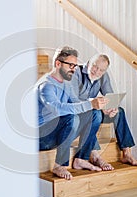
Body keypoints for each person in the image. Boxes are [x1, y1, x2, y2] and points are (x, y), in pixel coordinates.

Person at [37, 46, 109, 180]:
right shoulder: (46, 85)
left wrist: (96, 105)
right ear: (58, 64)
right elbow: (59, 109)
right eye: (70, 65)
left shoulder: (66, 84)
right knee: (72, 118)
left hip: (57, 132)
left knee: (94, 114)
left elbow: (76, 103)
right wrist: (89, 104)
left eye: (75, 65)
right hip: (41, 137)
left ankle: (82, 158)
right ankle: (59, 165)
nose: (74, 69)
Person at [70, 53, 137, 171]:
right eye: (95, 66)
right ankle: (91, 156)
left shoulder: (103, 76)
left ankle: (127, 153)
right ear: (89, 63)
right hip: (76, 113)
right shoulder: (76, 73)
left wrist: (112, 108)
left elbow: (110, 97)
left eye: (101, 70)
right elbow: (72, 99)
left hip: (92, 111)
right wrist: (94, 103)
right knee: (96, 114)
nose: (97, 71)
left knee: (119, 112)